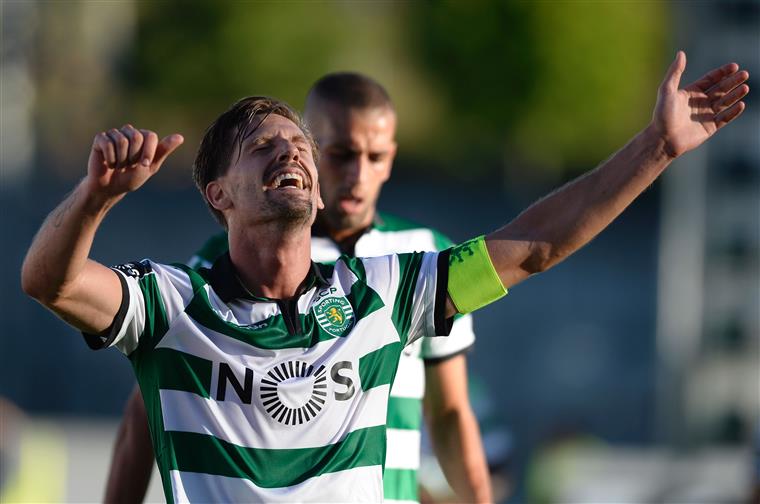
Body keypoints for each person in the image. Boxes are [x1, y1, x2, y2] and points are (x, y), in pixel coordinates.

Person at [22, 52, 748, 502]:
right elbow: (49, 282)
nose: (293, 153)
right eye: (263, 146)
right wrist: (93, 199)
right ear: (220, 195)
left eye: (299, 143)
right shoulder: (173, 302)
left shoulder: (387, 292)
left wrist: (655, 148)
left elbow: (535, 247)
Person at [104, 72, 492, 504]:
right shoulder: (232, 258)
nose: (358, 174)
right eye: (342, 155)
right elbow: (150, 405)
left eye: (376, 157)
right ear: (314, 150)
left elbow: (450, 412)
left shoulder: (424, 256)